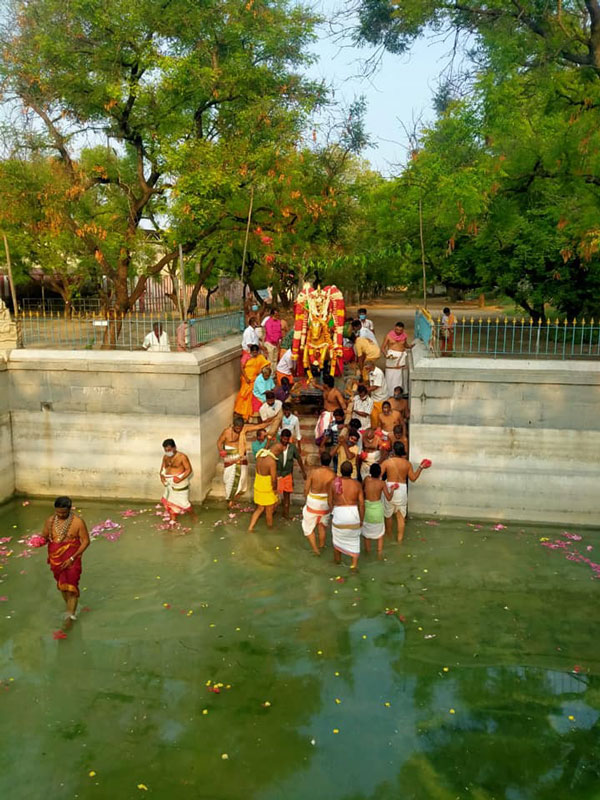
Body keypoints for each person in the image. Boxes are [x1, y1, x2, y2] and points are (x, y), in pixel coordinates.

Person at [42, 496, 90, 621]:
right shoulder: (50, 520)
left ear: (69, 509)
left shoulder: (78, 522)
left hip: (72, 560)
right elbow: (45, 536)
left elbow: (86, 541)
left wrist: (72, 558)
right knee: (63, 587)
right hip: (55, 559)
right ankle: (71, 608)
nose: (60, 515)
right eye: (58, 512)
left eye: (63, 513)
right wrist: (38, 541)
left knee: (72, 589)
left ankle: (69, 617)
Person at [217, 415, 274, 507]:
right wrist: (221, 450)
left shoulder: (245, 429)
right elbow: (219, 442)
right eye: (237, 428)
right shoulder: (226, 431)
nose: (239, 430)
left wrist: (271, 422)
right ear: (233, 426)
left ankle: (233, 499)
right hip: (230, 456)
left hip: (241, 456)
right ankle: (229, 500)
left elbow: (259, 426)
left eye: (240, 428)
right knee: (230, 479)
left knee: (242, 480)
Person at [380, 441, 431, 542]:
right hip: (402, 489)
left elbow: (379, 475)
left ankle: (389, 537)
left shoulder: (387, 462)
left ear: (393, 450)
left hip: (390, 487)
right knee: (400, 516)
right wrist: (421, 468)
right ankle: (399, 541)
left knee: (388, 515)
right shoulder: (407, 464)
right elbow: (413, 478)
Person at [328, 461, 364, 570]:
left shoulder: (334, 483)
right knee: (355, 542)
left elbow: (329, 502)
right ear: (352, 472)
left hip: (339, 515)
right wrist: (361, 520)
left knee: (337, 541)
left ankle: (337, 563)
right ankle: (353, 567)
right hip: (353, 516)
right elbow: (361, 504)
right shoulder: (357, 485)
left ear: (340, 471)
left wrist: (334, 513)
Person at [301, 451, 335, 554]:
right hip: (325, 503)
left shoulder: (313, 472)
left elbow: (306, 489)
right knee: (322, 526)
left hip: (313, 502)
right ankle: (321, 547)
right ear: (330, 462)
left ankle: (316, 550)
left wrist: (305, 497)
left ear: (320, 460)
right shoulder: (333, 475)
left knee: (308, 528)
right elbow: (334, 492)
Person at [271, 429, 306, 519]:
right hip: (277, 474)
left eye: (287, 439)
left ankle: (286, 515)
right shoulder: (275, 446)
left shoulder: (292, 448)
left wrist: (303, 471)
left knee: (287, 496)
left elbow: (299, 459)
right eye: (283, 439)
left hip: (287, 474)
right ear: (281, 438)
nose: (285, 441)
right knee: (274, 495)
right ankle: (271, 512)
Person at [362, 464, 394, 559]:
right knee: (380, 534)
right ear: (380, 473)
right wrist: (392, 490)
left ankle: (367, 553)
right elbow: (388, 498)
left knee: (366, 534)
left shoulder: (367, 479)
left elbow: (361, 488)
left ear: (370, 472)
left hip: (367, 509)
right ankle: (379, 555)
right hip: (378, 510)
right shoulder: (382, 483)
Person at [160, 439, 193, 522]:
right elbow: (162, 469)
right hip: (169, 483)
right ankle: (172, 521)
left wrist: (180, 478)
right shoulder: (165, 457)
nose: (167, 452)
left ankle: (193, 517)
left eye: (169, 450)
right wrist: (162, 477)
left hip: (180, 483)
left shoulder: (182, 457)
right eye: (165, 450)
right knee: (170, 504)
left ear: (174, 447)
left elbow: (189, 470)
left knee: (184, 504)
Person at [248, 443, 279, 531]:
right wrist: (275, 489)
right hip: (267, 489)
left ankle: (250, 527)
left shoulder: (259, 456)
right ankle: (270, 528)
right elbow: (273, 479)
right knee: (269, 511)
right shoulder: (272, 462)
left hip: (258, 486)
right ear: (276, 452)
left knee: (259, 509)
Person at [233, 344, 269, 421]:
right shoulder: (246, 357)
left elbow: (265, 365)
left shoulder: (260, 357)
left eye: (256, 352)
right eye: (254, 352)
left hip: (254, 379)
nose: (255, 354)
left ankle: (249, 413)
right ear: (251, 351)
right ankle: (240, 412)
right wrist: (246, 378)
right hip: (246, 379)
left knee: (251, 396)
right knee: (244, 395)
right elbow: (242, 368)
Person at [314, 375, 347, 442]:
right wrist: (314, 384)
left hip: (333, 414)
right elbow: (319, 387)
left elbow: (343, 405)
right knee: (319, 430)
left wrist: (344, 416)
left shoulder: (336, 393)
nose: (322, 384)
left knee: (327, 430)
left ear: (326, 384)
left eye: (324, 383)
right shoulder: (325, 389)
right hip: (325, 413)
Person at [381, 321, 412, 394]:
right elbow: (382, 348)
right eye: (397, 330)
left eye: (400, 330)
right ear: (394, 328)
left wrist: (410, 346)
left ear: (403, 330)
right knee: (390, 376)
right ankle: (389, 392)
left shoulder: (404, 336)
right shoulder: (388, 336)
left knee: (399, 377)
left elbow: (405, 345)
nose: (398, 332)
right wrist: (386, 355)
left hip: (400, 359)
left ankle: (398, 393)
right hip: (391, 359)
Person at [364, 362, 389, 428]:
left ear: (371, 365)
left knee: (379, 416)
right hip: (374, 397)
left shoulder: (378, 373)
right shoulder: (370, 372)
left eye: (366, 365)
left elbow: (375, 387)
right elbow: (370, 383)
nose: (365, 367)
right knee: (373, 416)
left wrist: (364, 391)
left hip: (380, 398)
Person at [264, 308, 283, 373]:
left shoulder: (278, 322)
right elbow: (269, 333)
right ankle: (270, 373)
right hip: (270, 343)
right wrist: (275, 341)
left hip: (276, 343)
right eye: (275, 315)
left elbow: (280, 332)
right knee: (270, 360)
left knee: (275, 359)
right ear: (272, 315)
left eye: (278, 315)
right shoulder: (268, 322)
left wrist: (279, 340)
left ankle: (274, 373)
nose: (277, 316)